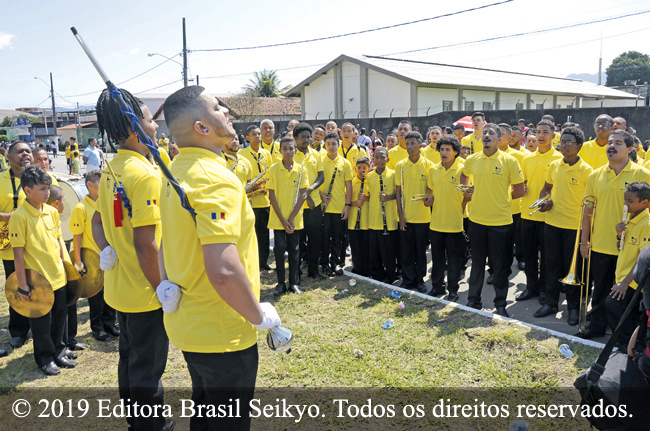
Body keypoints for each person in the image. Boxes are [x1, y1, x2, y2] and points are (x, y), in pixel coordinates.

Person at [160, 86, 281, 430]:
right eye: (217, 107)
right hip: (222, 329)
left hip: (189, 323)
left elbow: (165, 239)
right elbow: (224, 270)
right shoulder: (214, 178)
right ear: (201, 127)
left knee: (206, 412)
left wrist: (165, 284)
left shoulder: (174, 172)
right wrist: (258, 316)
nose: (226, 110)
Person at [92, 88, 173, 431]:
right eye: (150, 120)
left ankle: (134, 419)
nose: (156, 127)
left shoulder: (113, 167)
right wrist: (162, 289)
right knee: (148, 366)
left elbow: (98, 222)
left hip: (120, 288)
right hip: (144, 291)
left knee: (130, 357)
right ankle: (151, 426)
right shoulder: (144, 174)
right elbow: (145, 244)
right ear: (133, 126)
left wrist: (105, 248)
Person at [579, 130, 650, 340]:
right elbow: (588, 211)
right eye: (610, 142)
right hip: (601, 243)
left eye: (618, 143)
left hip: (632, 248)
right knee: (600, 289)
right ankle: (597, 326)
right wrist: (584, 240)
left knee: (630, 294)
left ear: (630, 149)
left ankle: (627, 335)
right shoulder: (595, 175)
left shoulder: (643, 175)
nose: (612, 146)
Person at [9, 166, 73, 375]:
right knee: (41, 323)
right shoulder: (19, 217)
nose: (47, 193)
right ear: (27, 190)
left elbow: (58, 242)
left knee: (59, 316)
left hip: (58, 276)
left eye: (48, 188)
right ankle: (45, 358)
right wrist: (22, 285)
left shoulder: (52, 211)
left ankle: (60, 351)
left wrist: (67, 267)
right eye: (42, 189)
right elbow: (18, 254)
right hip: (37, 281)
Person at [461, 124, 525, 317]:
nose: (487, 135)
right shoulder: (472, 160)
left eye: (492, 133)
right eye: (485, 133)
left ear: (499, 139)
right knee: (477, 264)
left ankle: (500, 304)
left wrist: (499, 199)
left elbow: (520, 190)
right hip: (477, 221)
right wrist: (468, 190)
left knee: (500, 266)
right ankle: (473, 301)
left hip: (501, 222)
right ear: (480, 138)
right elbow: (464, 176)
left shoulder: (510, 161)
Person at [533, 127, 592, 325]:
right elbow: (546, 188)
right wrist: (544, 201)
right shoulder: (554, 165)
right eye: (562, 142)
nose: (564, 146)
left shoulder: (587, 171)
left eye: (568, 142)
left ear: (579, 147)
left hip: (575, 228)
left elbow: (591, 203)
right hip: (552, 224)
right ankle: (550, 303)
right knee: (550, 265)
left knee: (573, 269)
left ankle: (573, 308)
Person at [517, 120, 562, 304]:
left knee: (547, 257)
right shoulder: (527, 158)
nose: (541, 135)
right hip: (528, 213)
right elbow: (523, 183)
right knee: (529, 254)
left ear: (553, 135)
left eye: (545, 132)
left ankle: (545, 290)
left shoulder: (559, 158)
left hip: (549, 216)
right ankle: (531, 287)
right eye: (538, 131)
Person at [70, 169, 117, 341]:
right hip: (91, 258)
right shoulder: (81, 207)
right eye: (101, 182)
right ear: (90, 185)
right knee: (96, 296)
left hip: (108, 255)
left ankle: (110, 324)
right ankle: (97, 328)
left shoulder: (106, 203)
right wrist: (78, 261)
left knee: (110, 292)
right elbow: (77, 235)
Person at [605, 182, 650, 348]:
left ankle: (628, 345)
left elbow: (643, 259)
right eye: (625, 200)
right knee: (620, 310)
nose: (626, 204)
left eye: (630, 201)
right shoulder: (629, 220)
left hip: (634, 281)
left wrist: (625, 283)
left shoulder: (646, 224)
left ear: (644, 203)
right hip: (623, 276)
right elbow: (621, 249)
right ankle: (626, 344)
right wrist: (619, 236)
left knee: (614, 305)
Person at [424, 135, 468, 301]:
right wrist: (429, 200)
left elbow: (467, 195)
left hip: (455, 223)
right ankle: (437, 287)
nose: (444, 152)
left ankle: (453, 290)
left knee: (454, 260)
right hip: (436, 222)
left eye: (448, 149)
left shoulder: (463, 169)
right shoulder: (434, 169)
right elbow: (431, 190)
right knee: (437, 259)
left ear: (455, 152)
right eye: (441, 149)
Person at [0, 142, 32, 351]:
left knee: (38, 284)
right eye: (19, 151)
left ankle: (39, 327)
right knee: (15, 284)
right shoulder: (1, 180)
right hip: (10, 243)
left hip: (35, 243)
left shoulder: (38, 177)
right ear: (8, 157)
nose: (25, 154)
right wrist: (6, 217)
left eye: (28, 151)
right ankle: (18, 331)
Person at [268, 137, 309, 295]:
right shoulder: (273, 168)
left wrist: (291, 218)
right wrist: (283, 220)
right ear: (280, 151)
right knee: (279, 250)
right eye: (284, 148)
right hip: (278, 219)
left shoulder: (301, 169)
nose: (287, 151)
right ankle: (280, 284)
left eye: (290, 148)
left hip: (295, 219)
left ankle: (293, 283)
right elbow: (271, 196)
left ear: (295, 150)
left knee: (295, 250)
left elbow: (303, 194)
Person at [396, 131, 433, 293]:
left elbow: (431, 190)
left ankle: (419, 280)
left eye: (412, 143)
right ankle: (408, 279)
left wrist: (429, 199)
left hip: (423, 217)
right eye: (407, 143)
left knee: (420, 251)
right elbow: (398, 192)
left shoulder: (429, 165)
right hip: (406, 217)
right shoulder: (400, 165)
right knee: (405, 251)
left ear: (420, 145)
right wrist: (401, 215)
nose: (409, 146)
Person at [239, 125, 275, 271]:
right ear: (247, 138)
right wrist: (251, 185)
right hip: (250, 200)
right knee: (250, 235)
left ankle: (264, 261)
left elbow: (271, 174)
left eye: (259, 134)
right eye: (254, 134)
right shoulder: (241, 154)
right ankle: (251, 263)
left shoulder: (266, 153)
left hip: (264, 199)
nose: (258, 136)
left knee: (264, 233)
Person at [293, 123, 325, 279]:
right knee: (297, 241)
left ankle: (313, 271)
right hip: (297, 206)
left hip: (315, 205)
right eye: (302, 137)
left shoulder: (315, 154)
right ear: (295, 138)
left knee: (315, 239)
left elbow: (321, 177)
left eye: (308, 137)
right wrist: (306, 197)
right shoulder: (289, 155)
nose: (305, 140)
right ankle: (296, 273)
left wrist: (310, 191)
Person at [319, 131, 352, 277]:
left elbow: (349, 186)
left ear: (338, 145)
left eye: (334, 144)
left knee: (338, 237)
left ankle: (335, 263)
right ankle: (325, 263)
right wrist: (321, 196)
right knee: (325, 237)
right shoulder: (319, 160)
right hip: (323, 207)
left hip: (339, 207)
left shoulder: (345, 163)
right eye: (328, 144)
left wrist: (347, 205)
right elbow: (313, 182)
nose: (331, 147)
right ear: (324, 145)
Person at [365, 147, 399, 283]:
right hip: (374, 219)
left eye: (382, 157)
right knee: (375, 251)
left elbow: (399, 194)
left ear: (387, 159)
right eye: (377, 157)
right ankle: (376, 274)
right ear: (373, 159)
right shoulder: (369, 175)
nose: (379, 160)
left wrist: (388, 197)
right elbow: (370, 195)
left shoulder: (393, 174)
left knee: (388, 251)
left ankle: (390, 275)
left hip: (389, 220)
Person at [348, 157, 371, 276]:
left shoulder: (371, 181)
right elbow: (345, 202)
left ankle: (366, 270)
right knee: (355, 247)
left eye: (365, 168)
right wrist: (355, 203)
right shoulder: (351, 183)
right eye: (359, 168)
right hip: (353, 221)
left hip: (367, 221)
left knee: (366, 248)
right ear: (355, 170)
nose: (362, 170)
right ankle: (357, 268)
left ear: (369, 169)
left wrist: (366, 198)